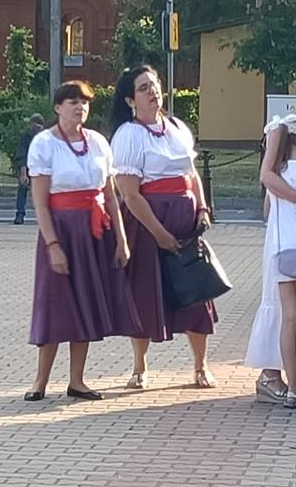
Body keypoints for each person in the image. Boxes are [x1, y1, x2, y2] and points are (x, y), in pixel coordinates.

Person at [23, 81, 140, 402]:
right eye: (72, 102)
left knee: (85, 302)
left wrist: (121, 240)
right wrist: (53, 245)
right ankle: (40, 381)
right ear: (58, 107)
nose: (80, 107)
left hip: (94, 231)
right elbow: (40, 203)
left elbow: (110, 196)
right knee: (55, 303)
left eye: (84, 102)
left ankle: (77, 380)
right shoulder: (44, 144)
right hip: (62, 229)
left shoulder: (98, 142)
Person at [110, 65, 217, 390]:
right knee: (146, 292)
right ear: (130, 100)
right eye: (143, 88)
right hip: (148, 225)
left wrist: (202, 208)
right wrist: (159, 233)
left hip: (186, 223)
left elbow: (192, 174)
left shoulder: (177, 128)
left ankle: (200, 365)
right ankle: (140, 367)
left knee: (196, 292)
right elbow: (130, 194)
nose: (152, 91)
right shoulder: (128, 135)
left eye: (154, 85)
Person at [247, 88, 296, 403]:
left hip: (285, 242)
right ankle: (292, 383)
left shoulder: (291, 161)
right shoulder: (282, 131)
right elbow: (266, 175)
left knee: (291, 316)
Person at [14, 114, 45, 224]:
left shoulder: (45, 137)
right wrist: (23, 174)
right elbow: (23, 155)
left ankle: (21, 215)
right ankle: (20, 214)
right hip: (32, 168)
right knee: (23, 188)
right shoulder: (26, 136)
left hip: (40, 169)